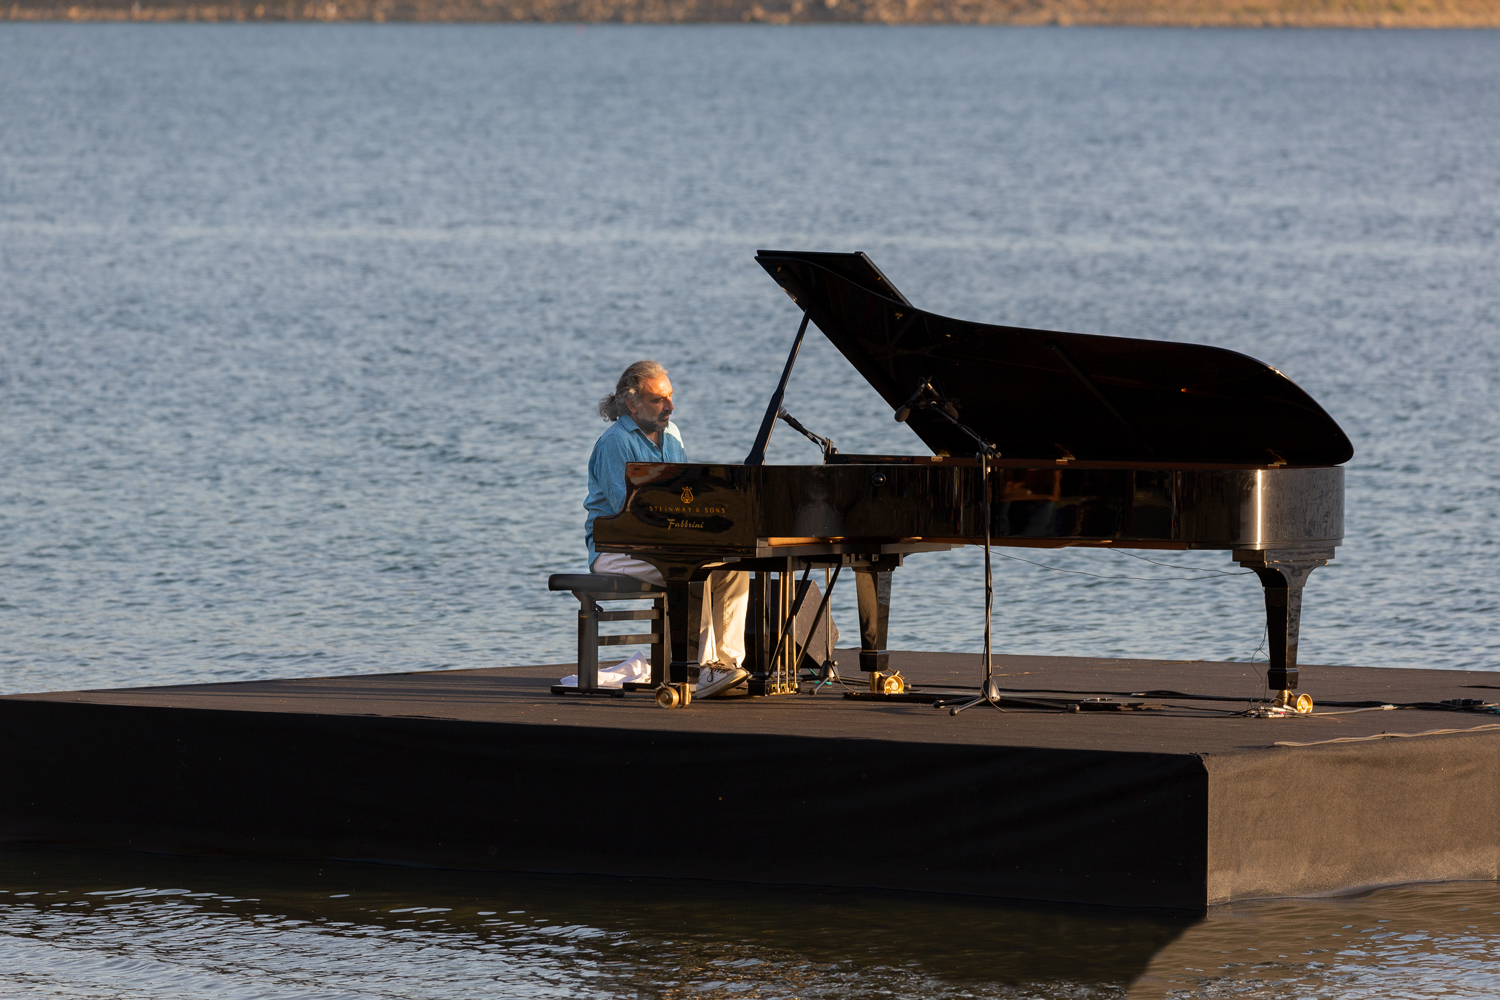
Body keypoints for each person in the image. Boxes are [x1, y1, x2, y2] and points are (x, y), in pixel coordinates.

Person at [584, 360, 751, 698]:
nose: (670, 406)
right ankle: (700, 668)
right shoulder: (614, 443)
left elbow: (683, 494)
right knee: (694, 569)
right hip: (616, 548)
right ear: (632, 403)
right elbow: (625, 511)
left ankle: (727, 665)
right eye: (658, 399)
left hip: (665, 542)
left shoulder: (672, 434)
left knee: (735, 569)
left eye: (670, 396)